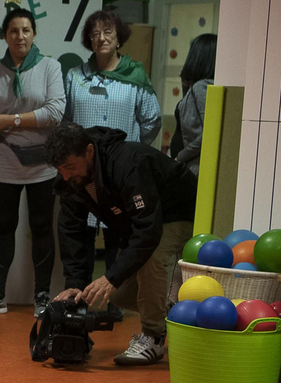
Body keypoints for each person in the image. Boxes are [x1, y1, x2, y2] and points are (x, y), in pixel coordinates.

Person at [46, 122, 197, 366]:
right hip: (146, 222)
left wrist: (111, 277)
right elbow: (71, 230)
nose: (64, 176)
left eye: (69, 167)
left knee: (149, 258)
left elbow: (149, 231)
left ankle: (154, 337)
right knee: (118, 294)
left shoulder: (128, 162)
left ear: (89, 152)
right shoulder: (72, 176)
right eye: (60, 169)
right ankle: (172, 311)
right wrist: (74, 283)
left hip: (180, 212)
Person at [0, 7, 66, 317]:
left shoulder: (50, 67)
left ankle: (42, 296)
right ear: (5, 35)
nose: (20, 36)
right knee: (3, 227)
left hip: (43, 162)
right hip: (4, 160)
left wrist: (9, 120)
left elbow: (55, 113)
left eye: (26, 30)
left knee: (42, 226)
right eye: (14, 31)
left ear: (34, 34)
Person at [63, 10, 161, 147]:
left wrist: (133, 146)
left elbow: (152, 120)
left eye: (107, 32)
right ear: (90, 40)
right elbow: (66, 120)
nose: (102, 38)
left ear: (118, 37)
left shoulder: (135, 74)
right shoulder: (74, 76)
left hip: (123, 159)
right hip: (84, 159)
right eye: (96, 34)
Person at [169, 33, 217, 175]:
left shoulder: (201, 87)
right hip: (190, 166)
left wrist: (180, 157)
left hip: (194, 167)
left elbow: (209, 132)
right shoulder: (198, 86)